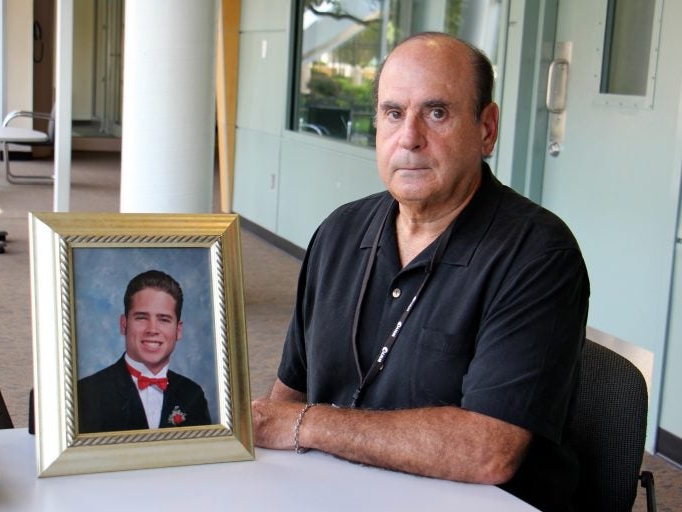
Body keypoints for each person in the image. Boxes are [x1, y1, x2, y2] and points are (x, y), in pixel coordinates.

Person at [251, 32, 589, 511]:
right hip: (332, 491)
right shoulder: (339, 232)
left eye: (436, 112)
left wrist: (308, 425)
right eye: (393, 113)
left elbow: (487, 451)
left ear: (487, 129)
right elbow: (289, 391)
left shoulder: (538, 254)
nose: (409, 137)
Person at [78, 269, 211, 433]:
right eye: (141, 317)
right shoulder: (86, 394)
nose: (152, 329)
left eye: (164, 319)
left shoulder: (192, 395)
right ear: (124, 324)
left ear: (178, 330)